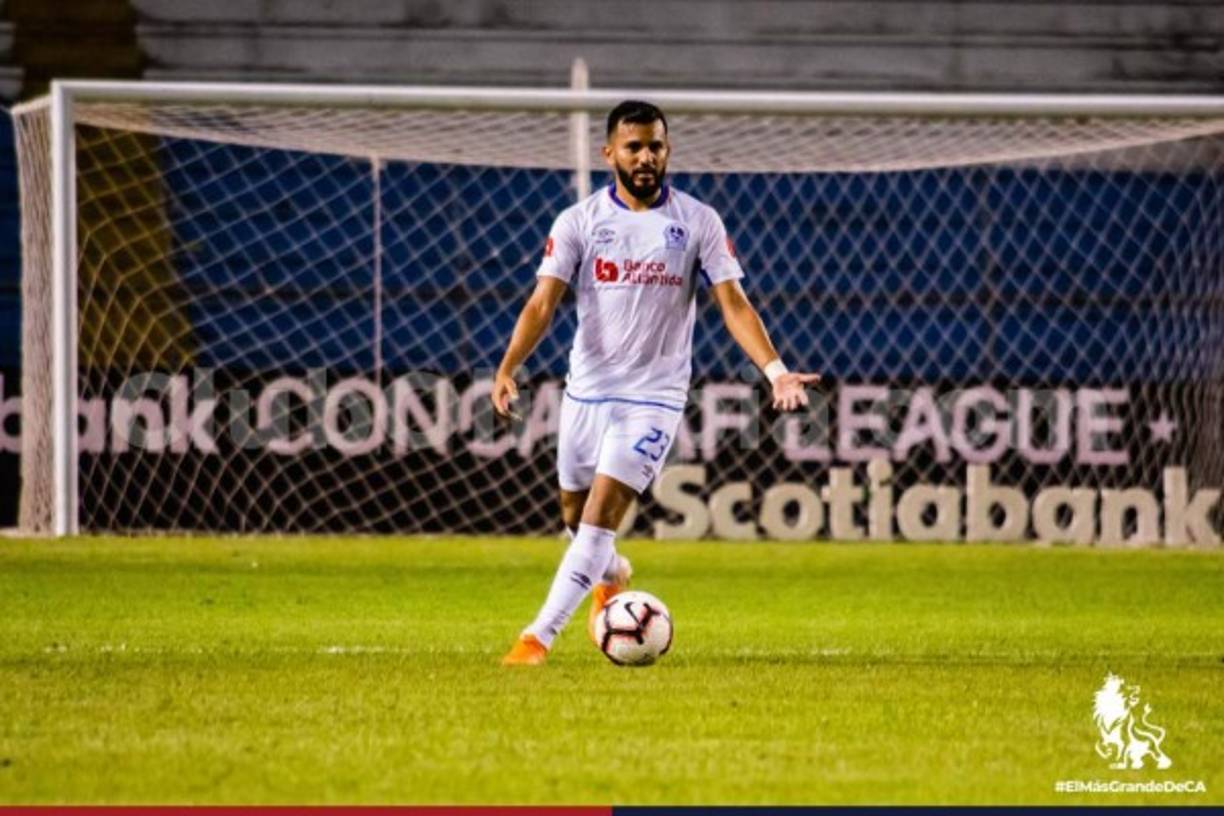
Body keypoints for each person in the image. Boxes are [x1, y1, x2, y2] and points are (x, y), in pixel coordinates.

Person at [494, 100, 819, 665]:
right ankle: (612, 572)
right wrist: (507, 366)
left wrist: (774, 369)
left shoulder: (697, 221)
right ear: (610, 153)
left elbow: (733, 303)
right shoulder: (578, 222)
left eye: (656, 146)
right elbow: (542, 302)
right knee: (574, 519)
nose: (646, 157)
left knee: (597, 519)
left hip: (655, 398)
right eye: (634, 147)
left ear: (668, 150)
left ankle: (537, 637)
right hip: (587, 392)